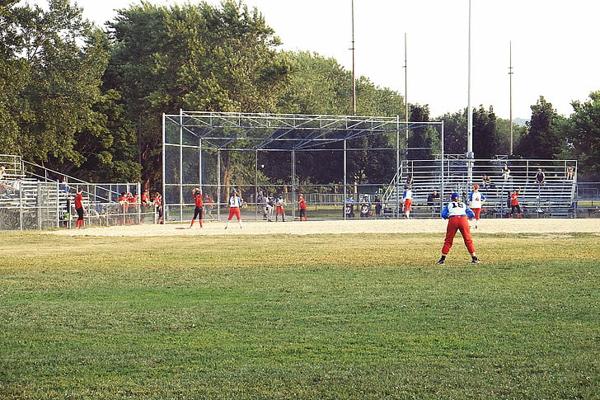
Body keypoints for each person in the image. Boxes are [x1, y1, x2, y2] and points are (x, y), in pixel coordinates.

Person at [437, 192, 479, 265]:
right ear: (458, 198)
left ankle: (442, 259)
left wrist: (449, 217)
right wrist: (466, 218)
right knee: (468, 239)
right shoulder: (463, 204)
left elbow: (443, 214)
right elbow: (472, 214)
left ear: (451, 199)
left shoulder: (449, 205)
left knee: (448, 240)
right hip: (463, 219)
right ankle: (474, 258)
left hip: (453, 219)